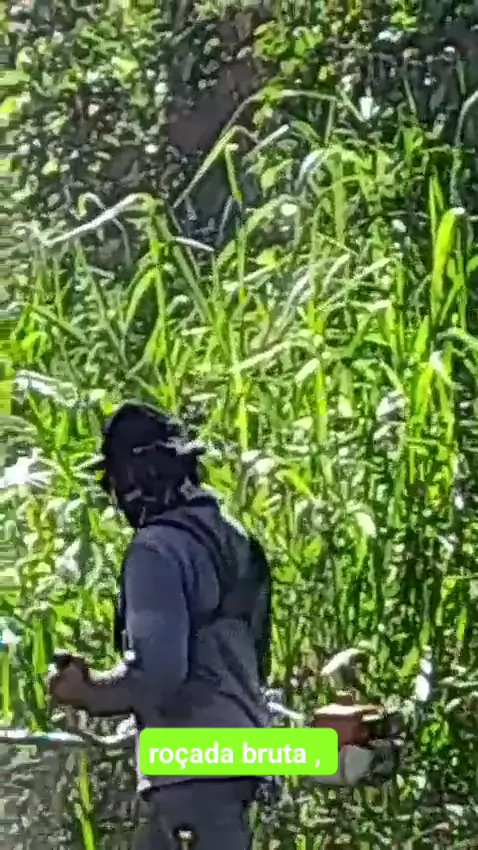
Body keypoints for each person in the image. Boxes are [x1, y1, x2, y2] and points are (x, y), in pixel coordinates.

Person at [47, 401, 273, 850]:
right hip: (240, 757)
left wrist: (85, 691)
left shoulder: (156, 550)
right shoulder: (235, 537)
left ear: (136, 478)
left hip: (192, 772)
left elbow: (159, 676)